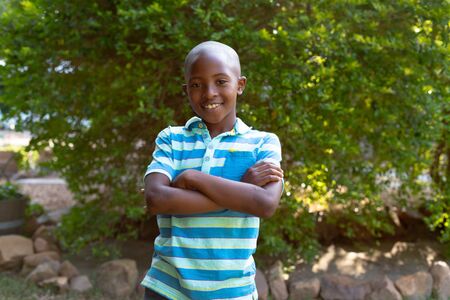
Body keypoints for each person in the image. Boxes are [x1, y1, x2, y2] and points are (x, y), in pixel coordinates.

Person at [141, 41, 284, 300]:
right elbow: (156, 199)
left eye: (221, 81)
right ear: (186, 90)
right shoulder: (171, 139)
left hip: (233, 291)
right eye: (196, 85)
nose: (209, 93)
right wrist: (242, 189)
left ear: (240, 85)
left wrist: (193, 178)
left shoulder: (262, 143)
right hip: (168, 288)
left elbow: (264, 204)